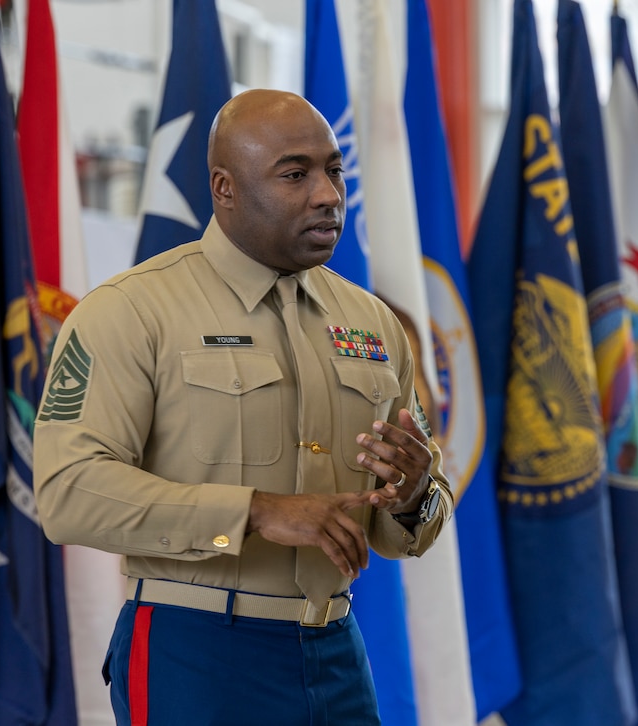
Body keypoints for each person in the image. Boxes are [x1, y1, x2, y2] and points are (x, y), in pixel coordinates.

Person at [33, 89, 453, 725]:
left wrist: (412, 494)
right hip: (196, 651)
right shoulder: (131, 311)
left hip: (335, 649)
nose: (328, 194)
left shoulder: (374, 324)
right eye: (295, 174)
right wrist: (254, 512)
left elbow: (411, 525)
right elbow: (68, 493)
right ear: (224, 188)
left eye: (335, 171)